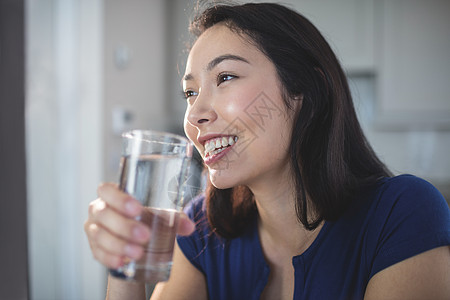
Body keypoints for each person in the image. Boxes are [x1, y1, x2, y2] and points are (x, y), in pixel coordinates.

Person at [84, 2, 450, 299]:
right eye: (190, 93)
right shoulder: (199, 229)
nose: (194, 114)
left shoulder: (402, 213)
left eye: (225, 78)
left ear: (305, 91)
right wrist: (125, 269)